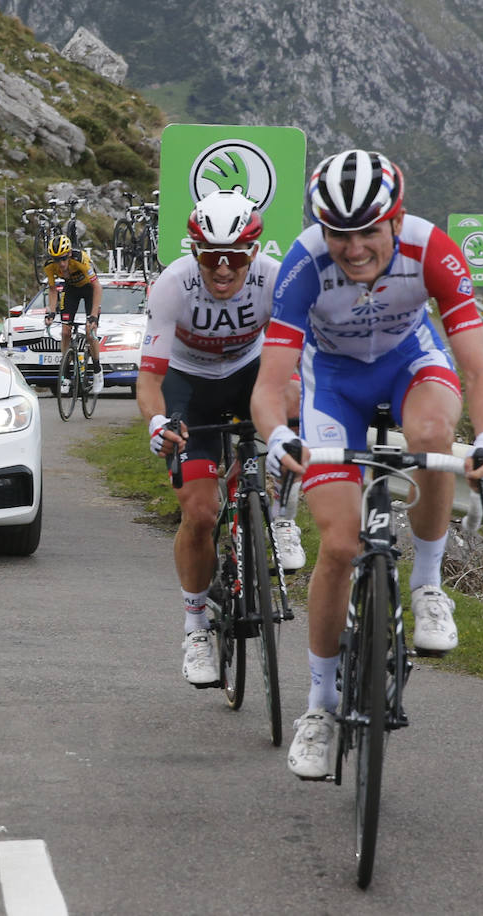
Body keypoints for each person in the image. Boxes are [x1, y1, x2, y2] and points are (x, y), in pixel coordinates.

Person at [250, 149, 483, 779]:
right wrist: (279, 435)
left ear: (397, 219)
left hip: (410, 363)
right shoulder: (305, 263)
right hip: (333, 383)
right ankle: (320, 707)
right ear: (322, 229)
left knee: (432, 434)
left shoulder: (433, 250)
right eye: (340, 232)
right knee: (338, 547)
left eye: (369, 230)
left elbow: (476, 367)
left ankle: (426, 584)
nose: (355, 247)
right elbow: (269, 384)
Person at [135, 188, 304, 688]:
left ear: (254, 251)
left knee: (296, 399)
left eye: (235, 257)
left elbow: (303, 359)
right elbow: (148, 379)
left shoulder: (274, 279)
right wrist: (156, 423)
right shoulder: (172, 286)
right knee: (201, 513)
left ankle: (282, 517)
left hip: (251, 373)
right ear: (195, 252)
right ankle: (195, 630)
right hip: (189, 386)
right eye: (212, 257)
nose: (224, 269)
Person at [42, 233, 104, 395]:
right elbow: (53, 289)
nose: (60, 264)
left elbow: (97, 287)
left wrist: (93, 316)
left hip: (90, 290)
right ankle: (66, 375)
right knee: (65, 331)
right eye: (57, 260)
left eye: (63, 258)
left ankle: (97, 371)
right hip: (71, 291)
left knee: (91, 332)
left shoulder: (81, 260)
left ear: (69, 254)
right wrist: (51, 311)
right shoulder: (49, 266)